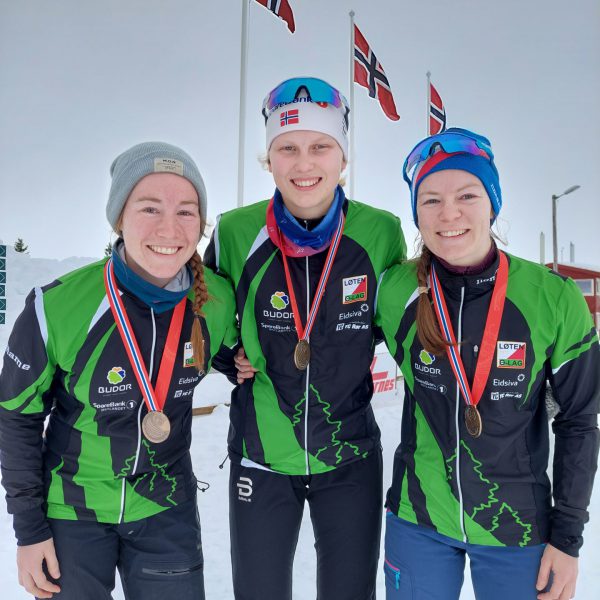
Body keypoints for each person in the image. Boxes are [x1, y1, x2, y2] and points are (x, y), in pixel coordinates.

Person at [0, 142, 238, 600]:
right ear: (118, 218)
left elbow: (231, 352)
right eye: (150, 208)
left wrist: (235, 362)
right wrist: (29, 532)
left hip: (166, 508)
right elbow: (17, 418)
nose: (170, 227)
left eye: (187, 211)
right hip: (73, 512)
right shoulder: (57, 306)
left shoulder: (218, 302)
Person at [374, 128, 600, 599]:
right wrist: (239, 357)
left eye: (467, 195)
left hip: (516, 527)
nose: (449, 213)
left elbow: (579, 421)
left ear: (492, 203)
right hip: (419, 521)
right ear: (416, 211)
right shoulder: (394, 291)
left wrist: (568, 539)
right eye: (430, 200)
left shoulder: (552, 298)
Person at [204, 77, 406, 599]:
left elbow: (391, 322)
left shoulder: (380, 233)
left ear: (344, 159)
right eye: (287, 148)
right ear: (268, 160)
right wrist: (232, 360)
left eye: (321, 147)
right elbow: (213, 315)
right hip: (262, 455)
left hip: (350, 456)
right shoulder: (234, 232)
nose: (304, 163)